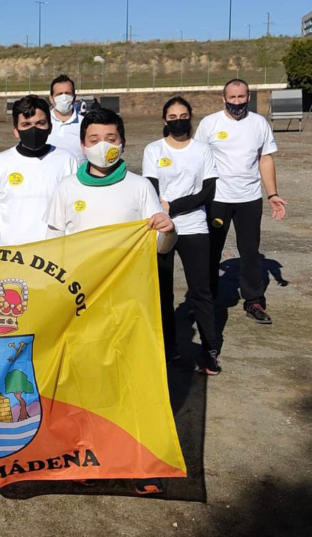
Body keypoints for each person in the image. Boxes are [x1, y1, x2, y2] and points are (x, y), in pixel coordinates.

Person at [44, 107, 176, 496]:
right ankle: (89, 454)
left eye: (111, 139)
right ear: (82, 145)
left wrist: (169, 230)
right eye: (95, 139)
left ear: (123, 142)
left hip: (131, 303)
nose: (104, 146)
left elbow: (161, 245)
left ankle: (141, 461)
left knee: (135, 380)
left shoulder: (139, 187)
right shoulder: (67, 189)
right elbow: (54, 248)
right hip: (82, 303)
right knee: (87, 383)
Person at [194, 78, 287, 325]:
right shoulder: (209, 124)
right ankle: (206, 302)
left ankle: (254, 301)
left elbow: (265, 159)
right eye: (232, 97)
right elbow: (197, 160)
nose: (237, 102)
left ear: (249, 97)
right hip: (217, 199)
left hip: (249, 199)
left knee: (250, 252)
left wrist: (272, 194)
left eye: (241, 97)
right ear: (223, 98)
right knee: (210, 251)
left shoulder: (259, 123)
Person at [142, 97, 221, 375]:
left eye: (183, 116)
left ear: (190, 117)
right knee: (162, 292)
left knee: (201, 291)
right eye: (173, 117)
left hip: (194, 226)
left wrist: (172, 207)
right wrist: (162, 213)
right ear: (165, 120)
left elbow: (207, 191)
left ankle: (209, 351)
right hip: (161, 228)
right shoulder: (153, 149)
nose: (178, 121)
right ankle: (168, 346)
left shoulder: (202, 149)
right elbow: (150, 187)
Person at [0, 94, 78, 246]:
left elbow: (74, 211)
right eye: (26, 124)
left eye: (40, 123)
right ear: (16, 130)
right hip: (12, 255)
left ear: (50, 127)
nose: (33, 130)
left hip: (53, 254)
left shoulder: (66, 160)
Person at [46, 74, 84, 163]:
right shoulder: (42, 123)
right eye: (59, 94)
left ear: (74, 97)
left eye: (67, 93)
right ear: (51, 99)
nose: (64, 98)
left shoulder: (85, 124)